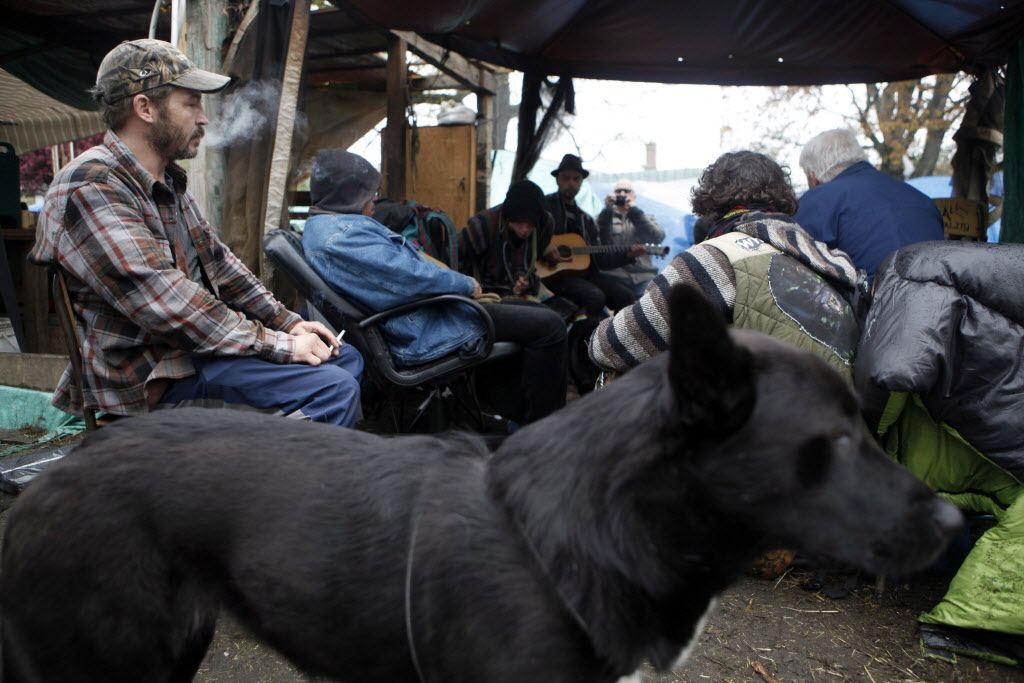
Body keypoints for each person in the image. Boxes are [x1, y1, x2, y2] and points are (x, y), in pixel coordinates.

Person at [29, 39, 363, 427]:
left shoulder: (167, 179)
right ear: (145, 107)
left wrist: (288, 322)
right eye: (191, 103)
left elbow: (220, 265)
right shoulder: (93, 185)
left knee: (342, 355)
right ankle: (277, 484)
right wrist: (280, 345)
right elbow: (165, 299)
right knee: (333, 389)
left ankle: (270, 463)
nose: (203, 118)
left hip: (192, 355)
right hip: (155, 379)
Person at [304, 152, 567, 424]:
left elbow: (398, 274)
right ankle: (545, 431)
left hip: (421, 314)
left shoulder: (331, 226)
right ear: (347, 194)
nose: (374, 198)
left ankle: (511, 416)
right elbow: (409, 278)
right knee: (550, 326)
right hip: (420, 329)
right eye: (369, 192)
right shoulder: (339, 238)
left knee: (525, 310)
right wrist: (465, 284)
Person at [589, 151, 867, 382]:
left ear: (709, 201)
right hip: (840, 422)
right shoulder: (829, 257)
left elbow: (612, 345)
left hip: (771, 432)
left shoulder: (717, 256)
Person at [794, 128, 944, 281]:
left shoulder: (818, 200)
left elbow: (796, 271)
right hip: (941, 300)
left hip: (875, 300)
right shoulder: (922, 199)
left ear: (813, 175)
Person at [543, 154, 643, 315]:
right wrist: (545, 246)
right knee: (595, 297)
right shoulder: (543, 207)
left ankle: (616, 337)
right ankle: (579, 336)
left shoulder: (586, 220)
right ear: (557, 179)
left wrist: (627, 255)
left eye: (576, 179)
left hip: (584, 274)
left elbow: (600, 259)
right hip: (552, 274)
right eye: (566, 178)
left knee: (625, 297)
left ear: (581, 182)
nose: (571, 183)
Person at [596, 179, 666, 297]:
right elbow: (599, 241)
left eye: (626, 191)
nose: (622, 194)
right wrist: (607, 211)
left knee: (659, 298)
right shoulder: (603, 217)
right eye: (618, 191)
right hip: (614, 277)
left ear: (634, 196)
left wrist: (634, 211)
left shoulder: (645, 218)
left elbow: (657, 238)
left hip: (644, 277)